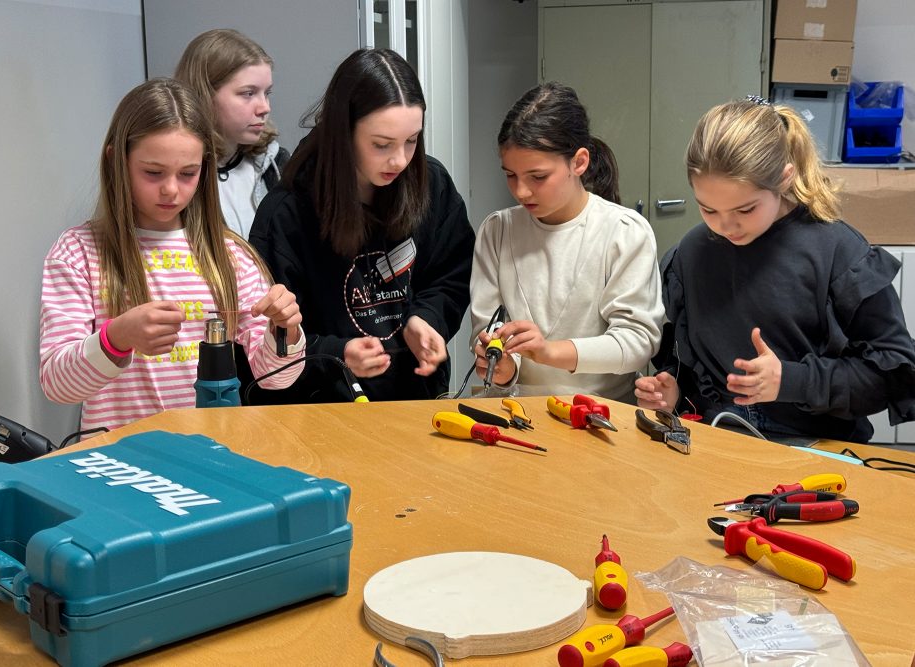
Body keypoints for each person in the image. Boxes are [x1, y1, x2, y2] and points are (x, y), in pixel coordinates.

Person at [635, 97, 915, 443]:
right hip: (718, 439)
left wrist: (790, 381)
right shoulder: (692, 252)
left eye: (745, 209)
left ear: (784, 179)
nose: (726, 227)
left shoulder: (838, 252)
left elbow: (893, 372)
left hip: (816, 446)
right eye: (708, 209)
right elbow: (686, 363)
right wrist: (674, 391)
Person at [40, 78, 305, 432]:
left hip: (209, 456)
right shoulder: (78, 254)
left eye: (187, 174)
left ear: (205, 168)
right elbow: (58, 386)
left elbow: (276, 379)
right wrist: (116, 338)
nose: (170, 189)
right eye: (153, 172)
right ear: (116, 161)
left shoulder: (230, 256)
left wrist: (285, 329)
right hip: (119, 467)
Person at [250, 48, 475, 402]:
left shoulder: (431, 184)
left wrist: (427, 318)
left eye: (412, 140)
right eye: (381, 145)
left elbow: (452, 275)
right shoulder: (287, 213)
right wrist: (337, 355)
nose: (400, 159)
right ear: (344, 133)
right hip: (323, 413)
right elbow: (266, 338)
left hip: (414, 402)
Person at [469, 82, 664, 401]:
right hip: (516, 407)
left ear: (579, 162)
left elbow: (636, 343)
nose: (521, 191)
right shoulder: (497, 230)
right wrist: (503, 367)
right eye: (510, 175)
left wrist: (550, 352)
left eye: (538, 176)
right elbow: (488, 329)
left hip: (600, 411)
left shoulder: (625, 232)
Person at [174, 29, 287, 239]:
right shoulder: (174, 175)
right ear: (204, 95)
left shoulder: (276, 164)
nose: (264, 107)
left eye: (267, 93)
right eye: (248, 93)